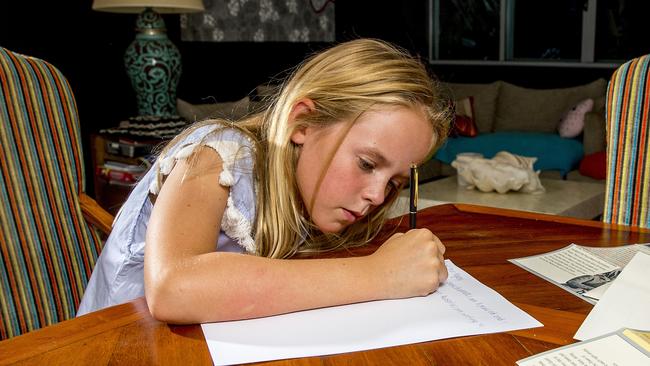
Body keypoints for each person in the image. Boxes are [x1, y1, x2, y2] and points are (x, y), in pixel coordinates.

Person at [78, 38, 452, 323]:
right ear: (302, 122)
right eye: (368, 164)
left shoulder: (306, 195)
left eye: (394, 183)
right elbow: (172, 287)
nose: (375, 195)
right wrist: (378, 274)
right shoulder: (217, 153)